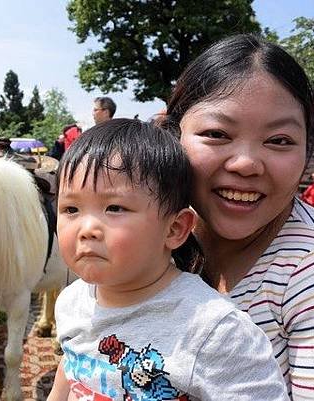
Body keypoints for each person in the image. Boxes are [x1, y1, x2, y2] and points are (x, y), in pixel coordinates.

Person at [164, 34, 314, 400]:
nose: (247, 163)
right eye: (217, 134)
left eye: (280, 140)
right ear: (173, 138)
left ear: (307, 150)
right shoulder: (153, 236)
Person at [48, 118, 289, 401]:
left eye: (114, 207)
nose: (86, 229)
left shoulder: (216, 332)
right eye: (71, 209)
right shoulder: (71, 302)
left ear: (175, 229)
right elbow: (69, 373)